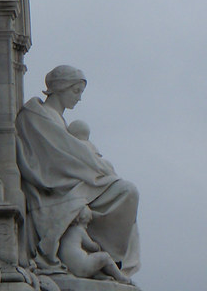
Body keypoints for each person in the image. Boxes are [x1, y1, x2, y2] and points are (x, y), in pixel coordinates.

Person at [15, 66, 140, 277]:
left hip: (73, 180)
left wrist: (95, 165)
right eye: (76, 91)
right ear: (60, 87)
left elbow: (72, 154)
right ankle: (104, 258)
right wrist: (97, 167)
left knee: (127, 191)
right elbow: (57, 158)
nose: (79, 99)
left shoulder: (59, 120)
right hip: (55, 184)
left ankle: (105, 258)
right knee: (127, 191)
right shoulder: (36, 114)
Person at [57, 206, 133, 284]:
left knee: (89, 258)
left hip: (69, 267)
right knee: (105, 257)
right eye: (87, 223)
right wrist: (97, 246)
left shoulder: (67, 231)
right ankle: (120, 277)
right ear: (83, 219)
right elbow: (91, 246)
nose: (86, 226)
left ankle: (99, 275)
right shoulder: (79, 230)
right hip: (81, 267)